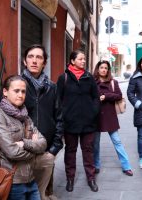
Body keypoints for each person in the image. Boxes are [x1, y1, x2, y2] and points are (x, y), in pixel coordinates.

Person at [0, 75, 47, 200]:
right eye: (16, 91)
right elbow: (13, 152)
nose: (20, 95)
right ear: (5, 92)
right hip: (14, 181)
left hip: (31, 178)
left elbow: (43, 143)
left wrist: (24, 144)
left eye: (23, 91)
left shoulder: (25, 117)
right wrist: (35, 150)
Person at [22, 44, 63, 200]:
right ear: (25, 61)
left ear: (44, 63)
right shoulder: (17, 85)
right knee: (25, 191)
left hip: (47, 148)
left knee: (44, 191)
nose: (34, 60)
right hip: (24, 149)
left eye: (39, 57)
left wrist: (55, 148)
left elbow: (59, 117)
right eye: (30, 57)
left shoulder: (52, 87)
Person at [57, 50, 100, 192]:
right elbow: (58, 100)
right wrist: (64, 116)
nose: (83, 61)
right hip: (70, 123)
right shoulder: (63, 78)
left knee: (88, 150)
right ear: (72, 60)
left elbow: (96, 97)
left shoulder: (89, 77)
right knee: (70, 151)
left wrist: (93, 112)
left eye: (84, 59)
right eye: (80, 59)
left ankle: (91, 178)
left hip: (88, 123)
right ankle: (70, 179)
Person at [92, 60, 133, 176]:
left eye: (106, 68)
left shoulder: (113, 82)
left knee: (117, 141)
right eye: (101, 67)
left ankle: (126, 166)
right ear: (98, 69)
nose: (104, 70)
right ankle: (96, 165)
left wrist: (106, 96)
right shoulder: (92, 82)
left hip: (110, 116)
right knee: (95, 144)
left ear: (108, 70)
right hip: (96, 116)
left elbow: (119, 95)